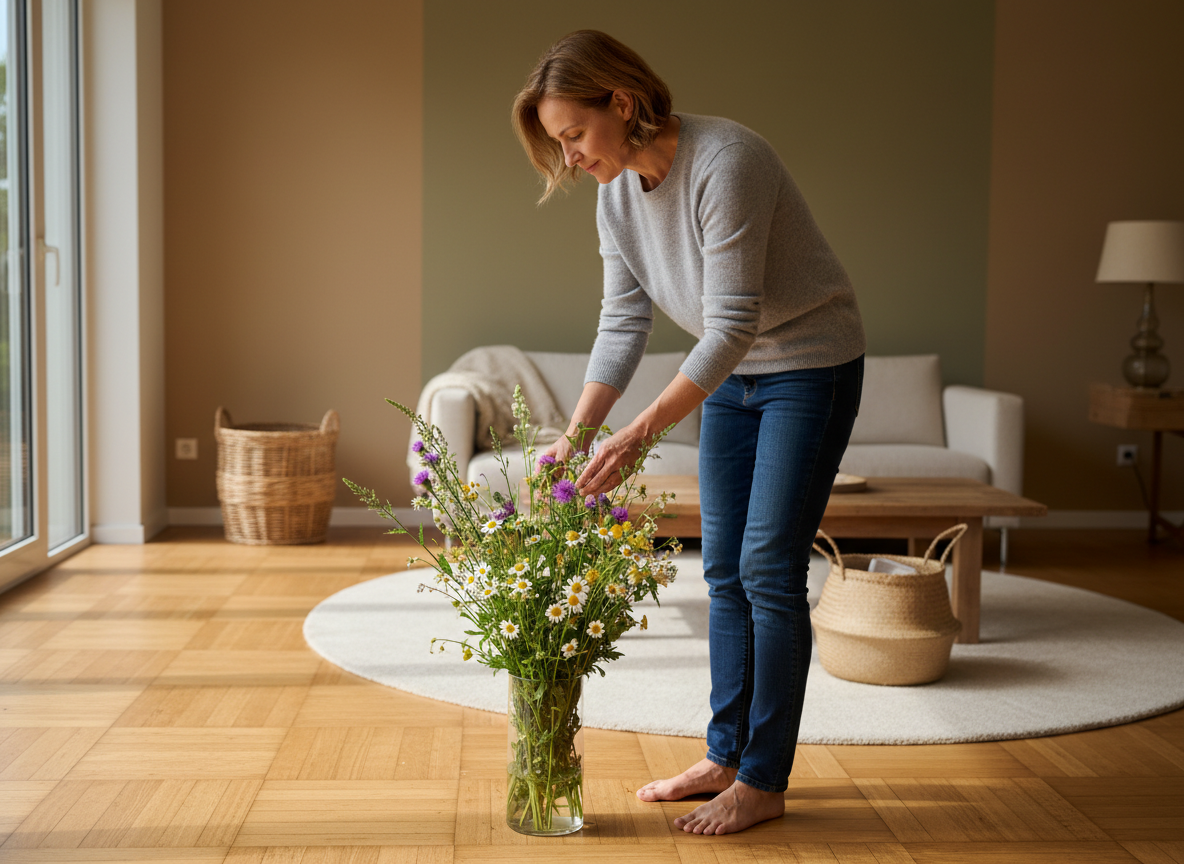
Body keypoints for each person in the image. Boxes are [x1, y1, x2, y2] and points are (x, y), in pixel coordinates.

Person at [512, 30, 865, 836]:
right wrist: (576, 435)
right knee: (723, 572)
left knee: (769, 569)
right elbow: (623, 320)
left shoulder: (728, 161)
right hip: (731, 377)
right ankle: (725, 756)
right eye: (558, 143)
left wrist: (638, 432)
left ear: (622, 103)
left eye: (574, 134)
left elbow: (732, 321)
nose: (569, 157)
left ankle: (764, 780)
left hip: (809, 364)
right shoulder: (615, 197)